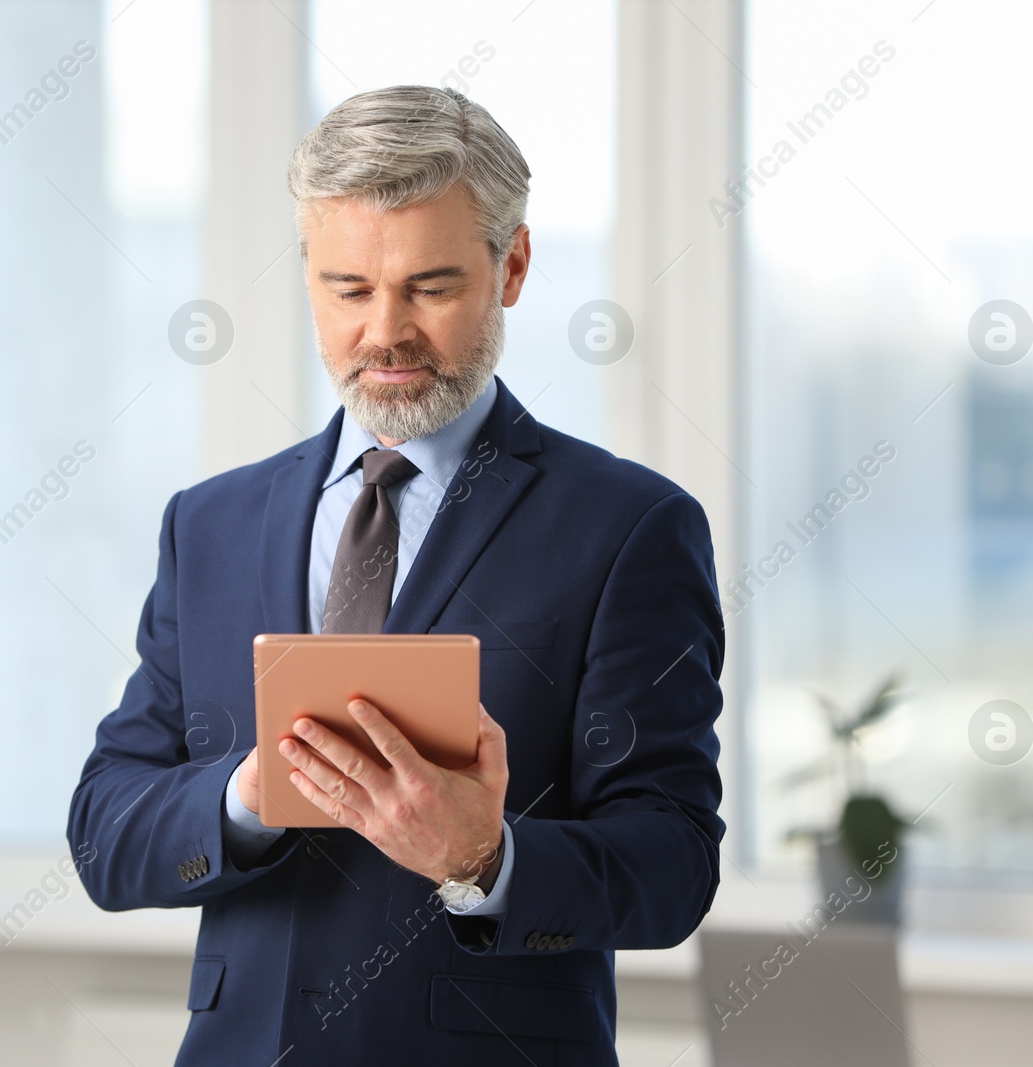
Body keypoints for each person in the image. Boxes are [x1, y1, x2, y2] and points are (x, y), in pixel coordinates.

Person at [68, 84, 724, 1067]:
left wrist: (485, 855)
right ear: (306, 276)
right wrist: (247, 793)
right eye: (348, 288)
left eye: (429, 286)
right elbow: (105, 831)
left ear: (512, 266)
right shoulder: (209, 523)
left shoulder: (627, 527)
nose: (385, 332)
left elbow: (672, 864)